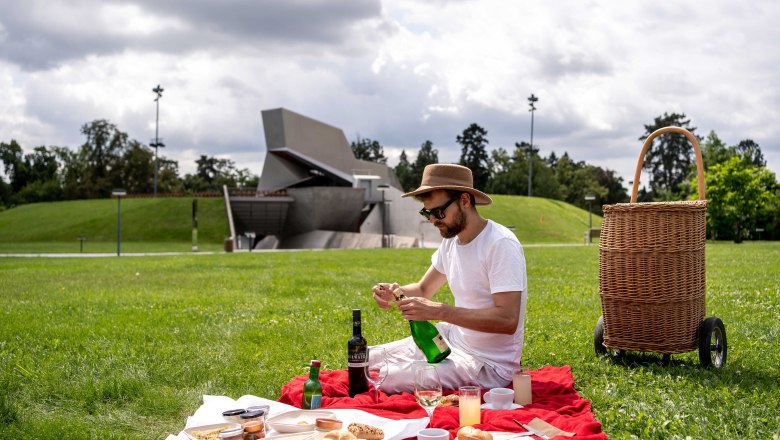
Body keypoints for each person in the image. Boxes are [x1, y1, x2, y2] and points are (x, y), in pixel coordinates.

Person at [371, 163, 527, 393]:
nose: (433, 220)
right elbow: (424, 289)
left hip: (487, 364)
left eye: (438, 212)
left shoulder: (500, 244)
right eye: (427, 213)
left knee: (385, 378)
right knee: (366, 358)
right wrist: (395, 292)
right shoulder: (451, 242)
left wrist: (440, 311)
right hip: (450, 341)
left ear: (464, 200)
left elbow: (507, 320)